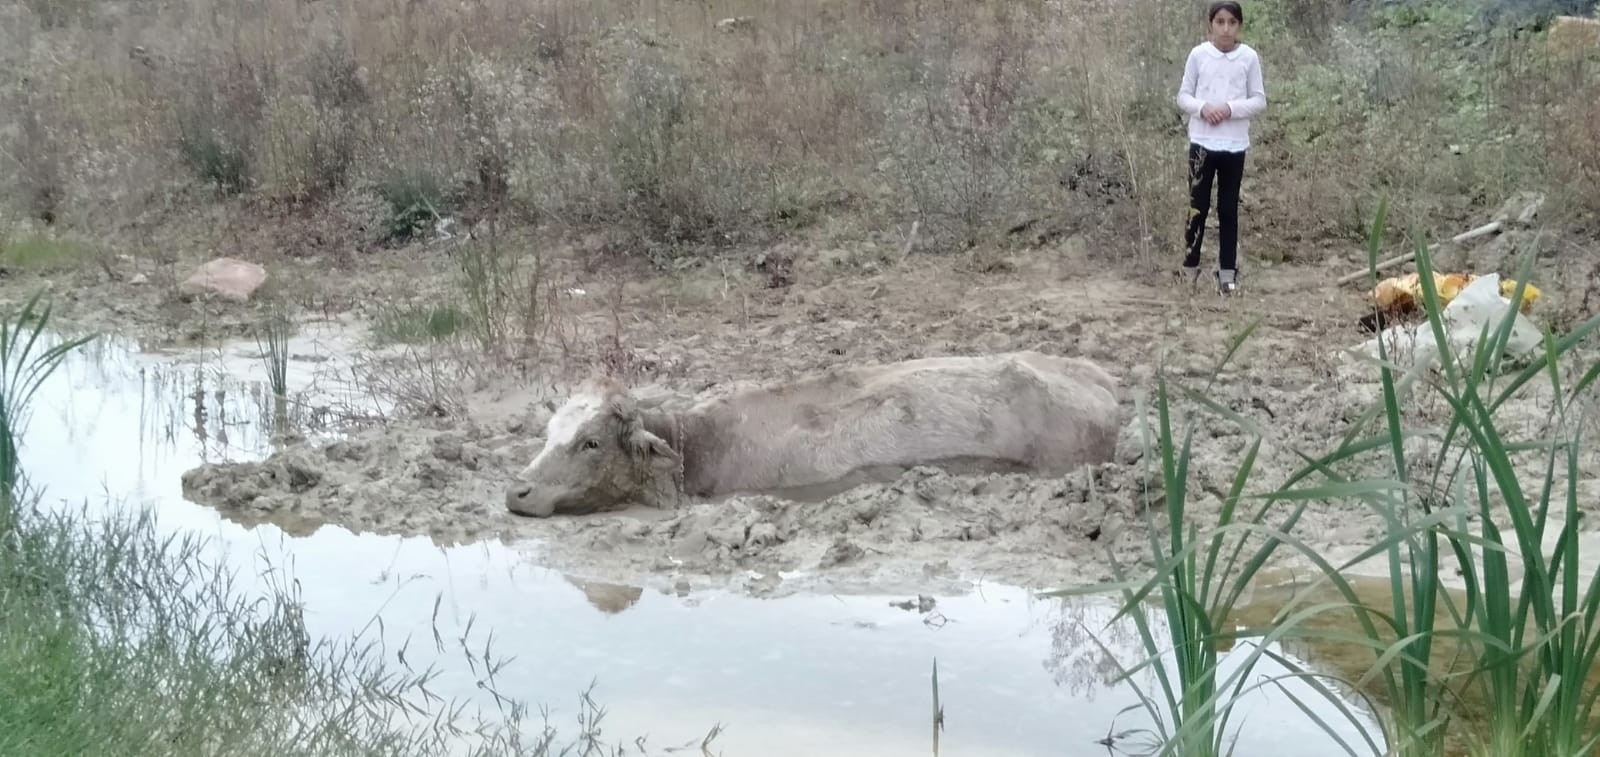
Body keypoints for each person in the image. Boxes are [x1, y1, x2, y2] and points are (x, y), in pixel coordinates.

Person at [1175, 0, 1267, 296]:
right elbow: (1184, 96)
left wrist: (1229, 109)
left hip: (1234, 145)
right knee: (1197, 207)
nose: (1226, 28)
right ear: (1210, 25)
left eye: (1232, 22)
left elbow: (1258, 100)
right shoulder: (1199, 55)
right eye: (1220, 22)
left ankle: (1227, 274)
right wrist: (1203, 109)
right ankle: (1190, 268)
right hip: (1202, 143)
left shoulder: (1248, 57)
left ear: (1239, 26)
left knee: (1228, 209)